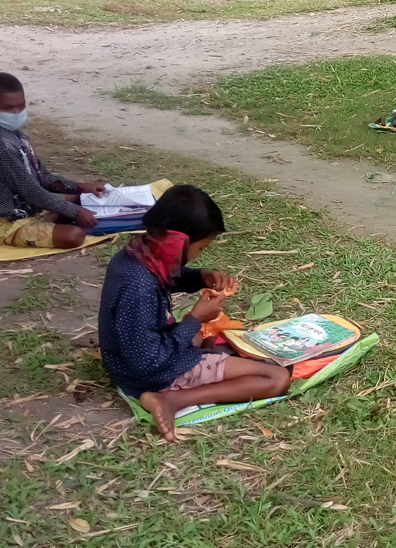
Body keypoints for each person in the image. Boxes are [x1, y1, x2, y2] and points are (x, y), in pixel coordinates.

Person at [98, 185, 290, 442]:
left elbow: (167, 279)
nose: (199, 254)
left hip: (130, 360)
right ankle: (172, 399)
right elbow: (147, 362)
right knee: (276, 377)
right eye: (200, 248)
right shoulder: (139, 287)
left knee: (204, 336)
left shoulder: (136, 256)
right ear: (179, 242)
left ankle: (199, 359)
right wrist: (195, 318)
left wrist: (200, 276)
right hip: (149, 376)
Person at [0, 72, 104, 249]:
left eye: (21, 106)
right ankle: (49, 219)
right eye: (8, 108)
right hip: (12, 224)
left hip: (33, 209)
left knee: (84, 194)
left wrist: (80, 186)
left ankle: (49, 217)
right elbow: (32, 191)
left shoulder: (17, 138)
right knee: (75, 236)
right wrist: (75, 212)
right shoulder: (1, 147)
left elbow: (43, 177)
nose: (17, 112)